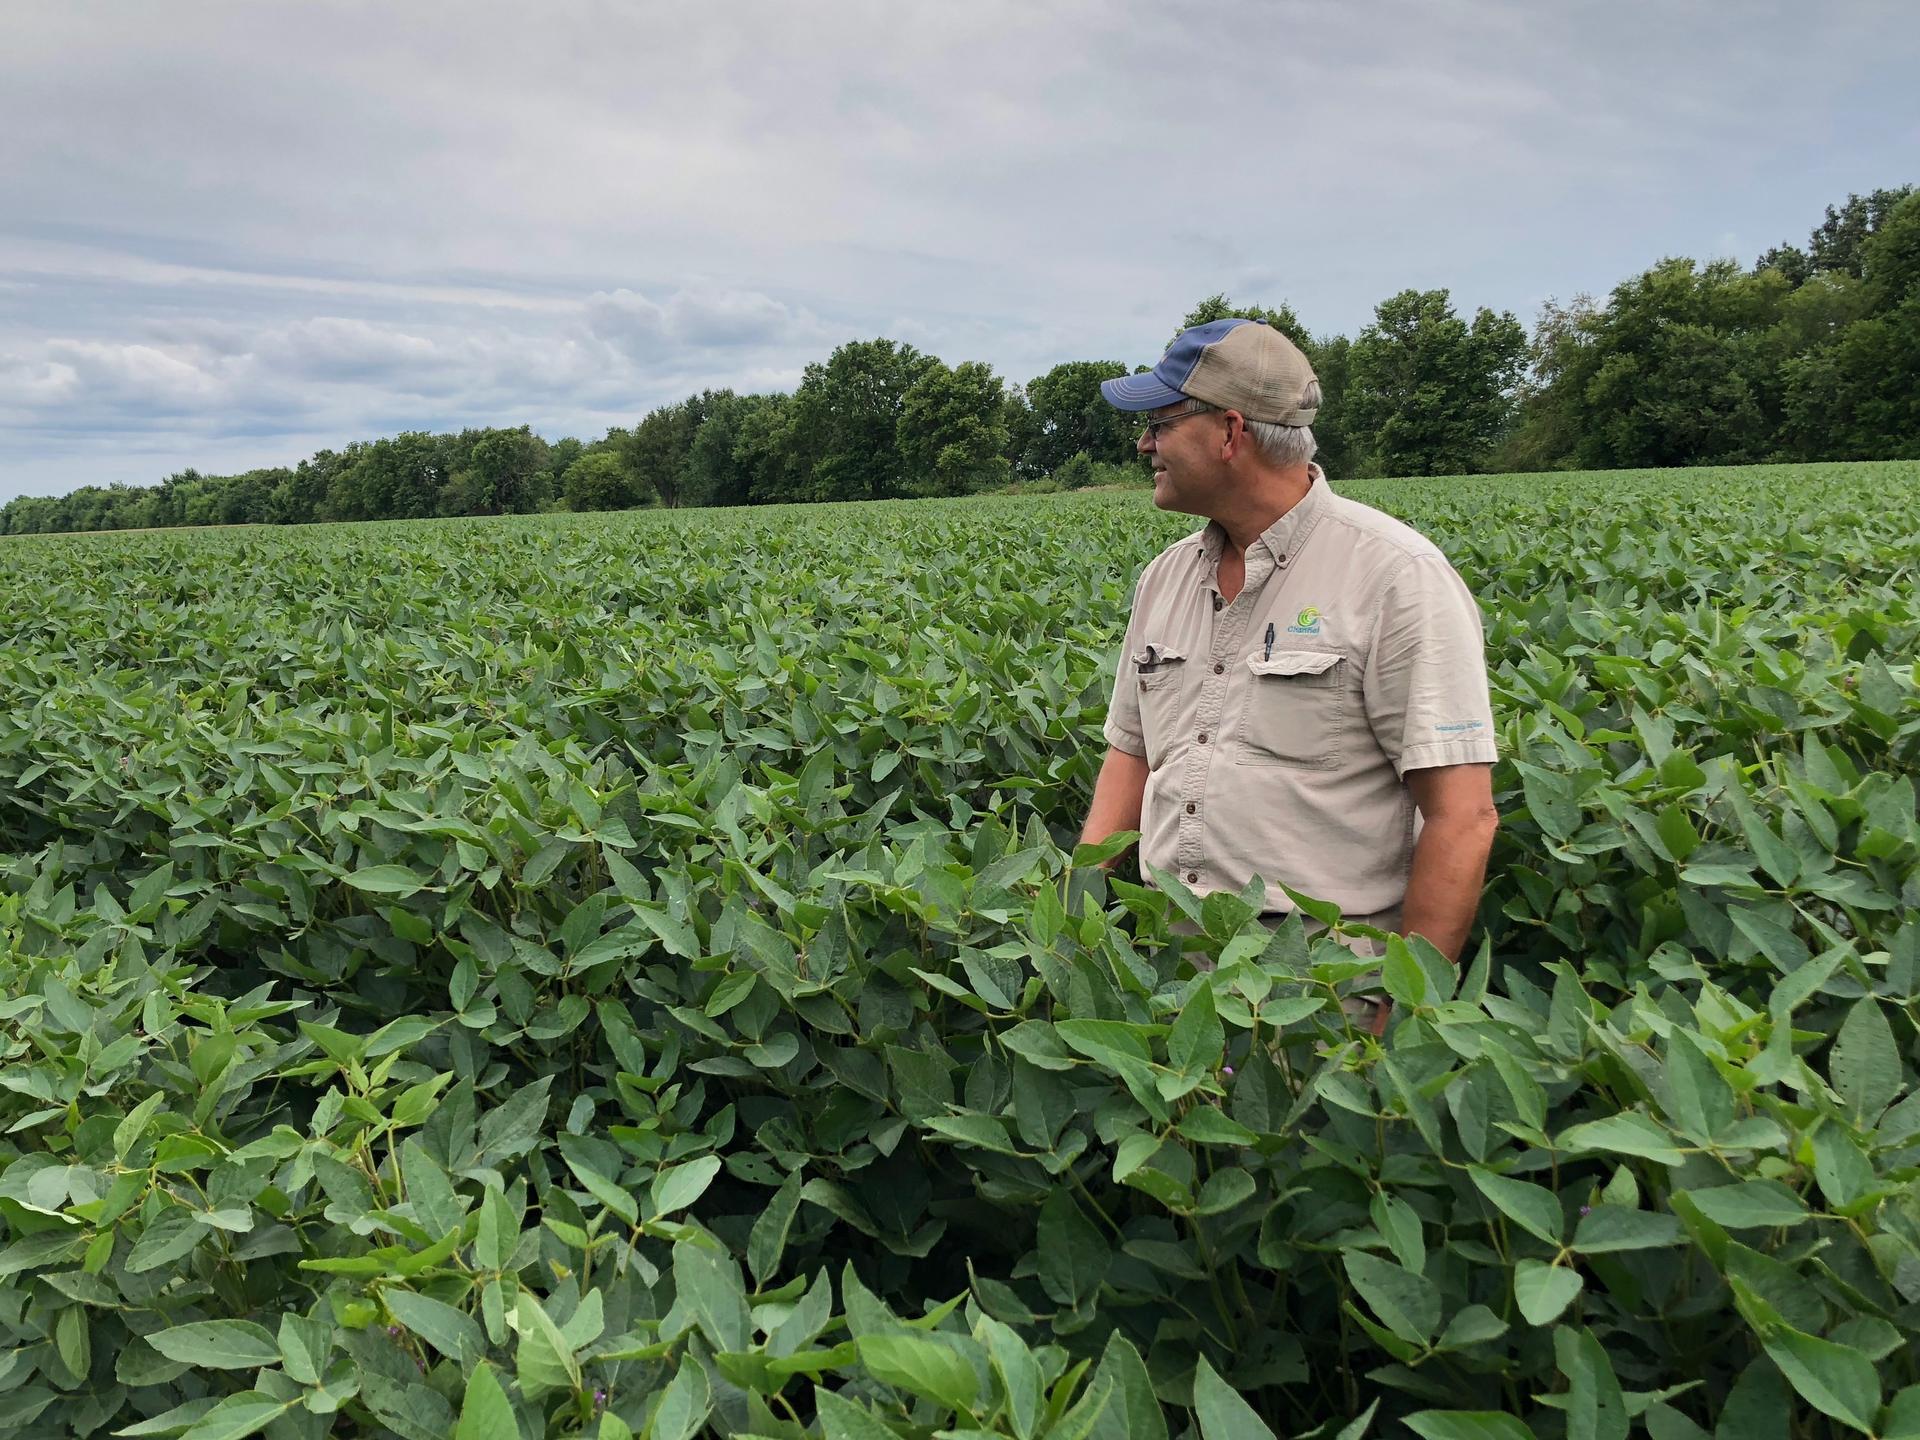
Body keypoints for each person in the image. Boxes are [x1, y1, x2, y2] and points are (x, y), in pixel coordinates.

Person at [1078, 317, 1499, 1024]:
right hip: (1168, 972)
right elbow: (1131, 754)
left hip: (1319, 995)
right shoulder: (1165, 578)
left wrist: (1402, 1020)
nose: (1144, 442)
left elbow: (1463, 817)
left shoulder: (1396, 577)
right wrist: (1073, 918)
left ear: (1230, 433)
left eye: (1160, 422)